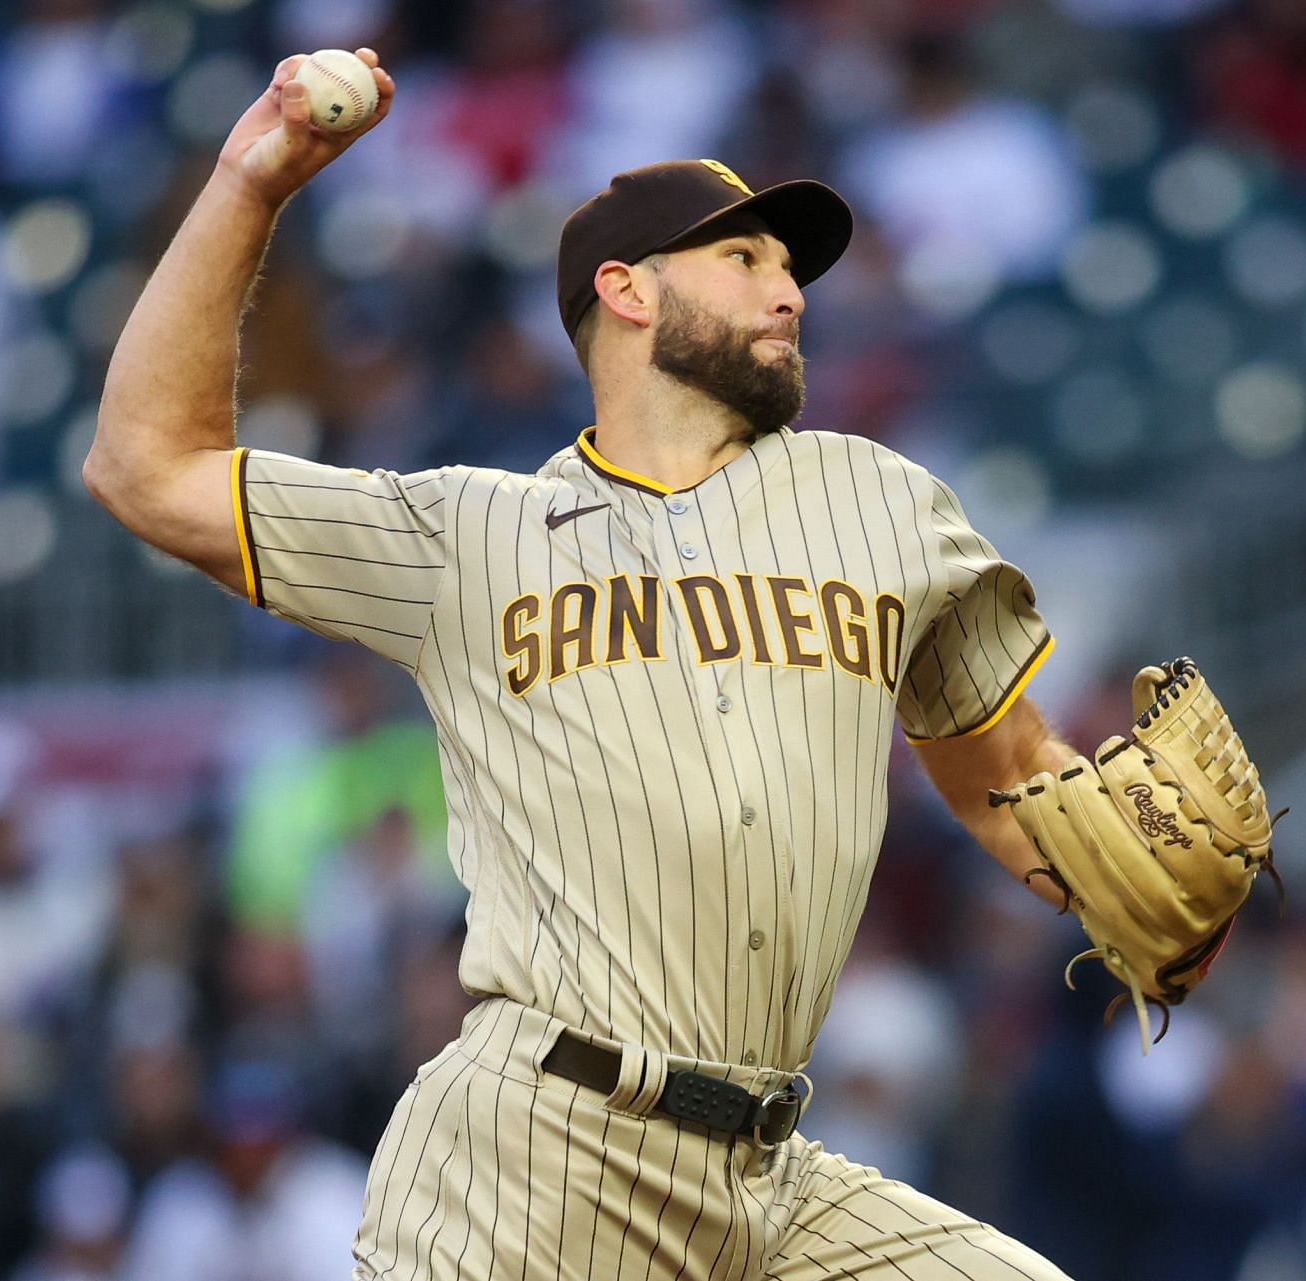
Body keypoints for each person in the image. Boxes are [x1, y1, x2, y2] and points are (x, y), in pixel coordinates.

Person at [85, 48, 1089, 1279]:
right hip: (542, 1152)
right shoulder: (466, 534)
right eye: (747, 259)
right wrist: (250, 187)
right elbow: (145, 467)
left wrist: (1127, 878)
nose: (790, 293)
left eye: (792, 269)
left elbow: (1007, 769)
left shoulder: (881, 499)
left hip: (771, 1165)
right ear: (627, 291)